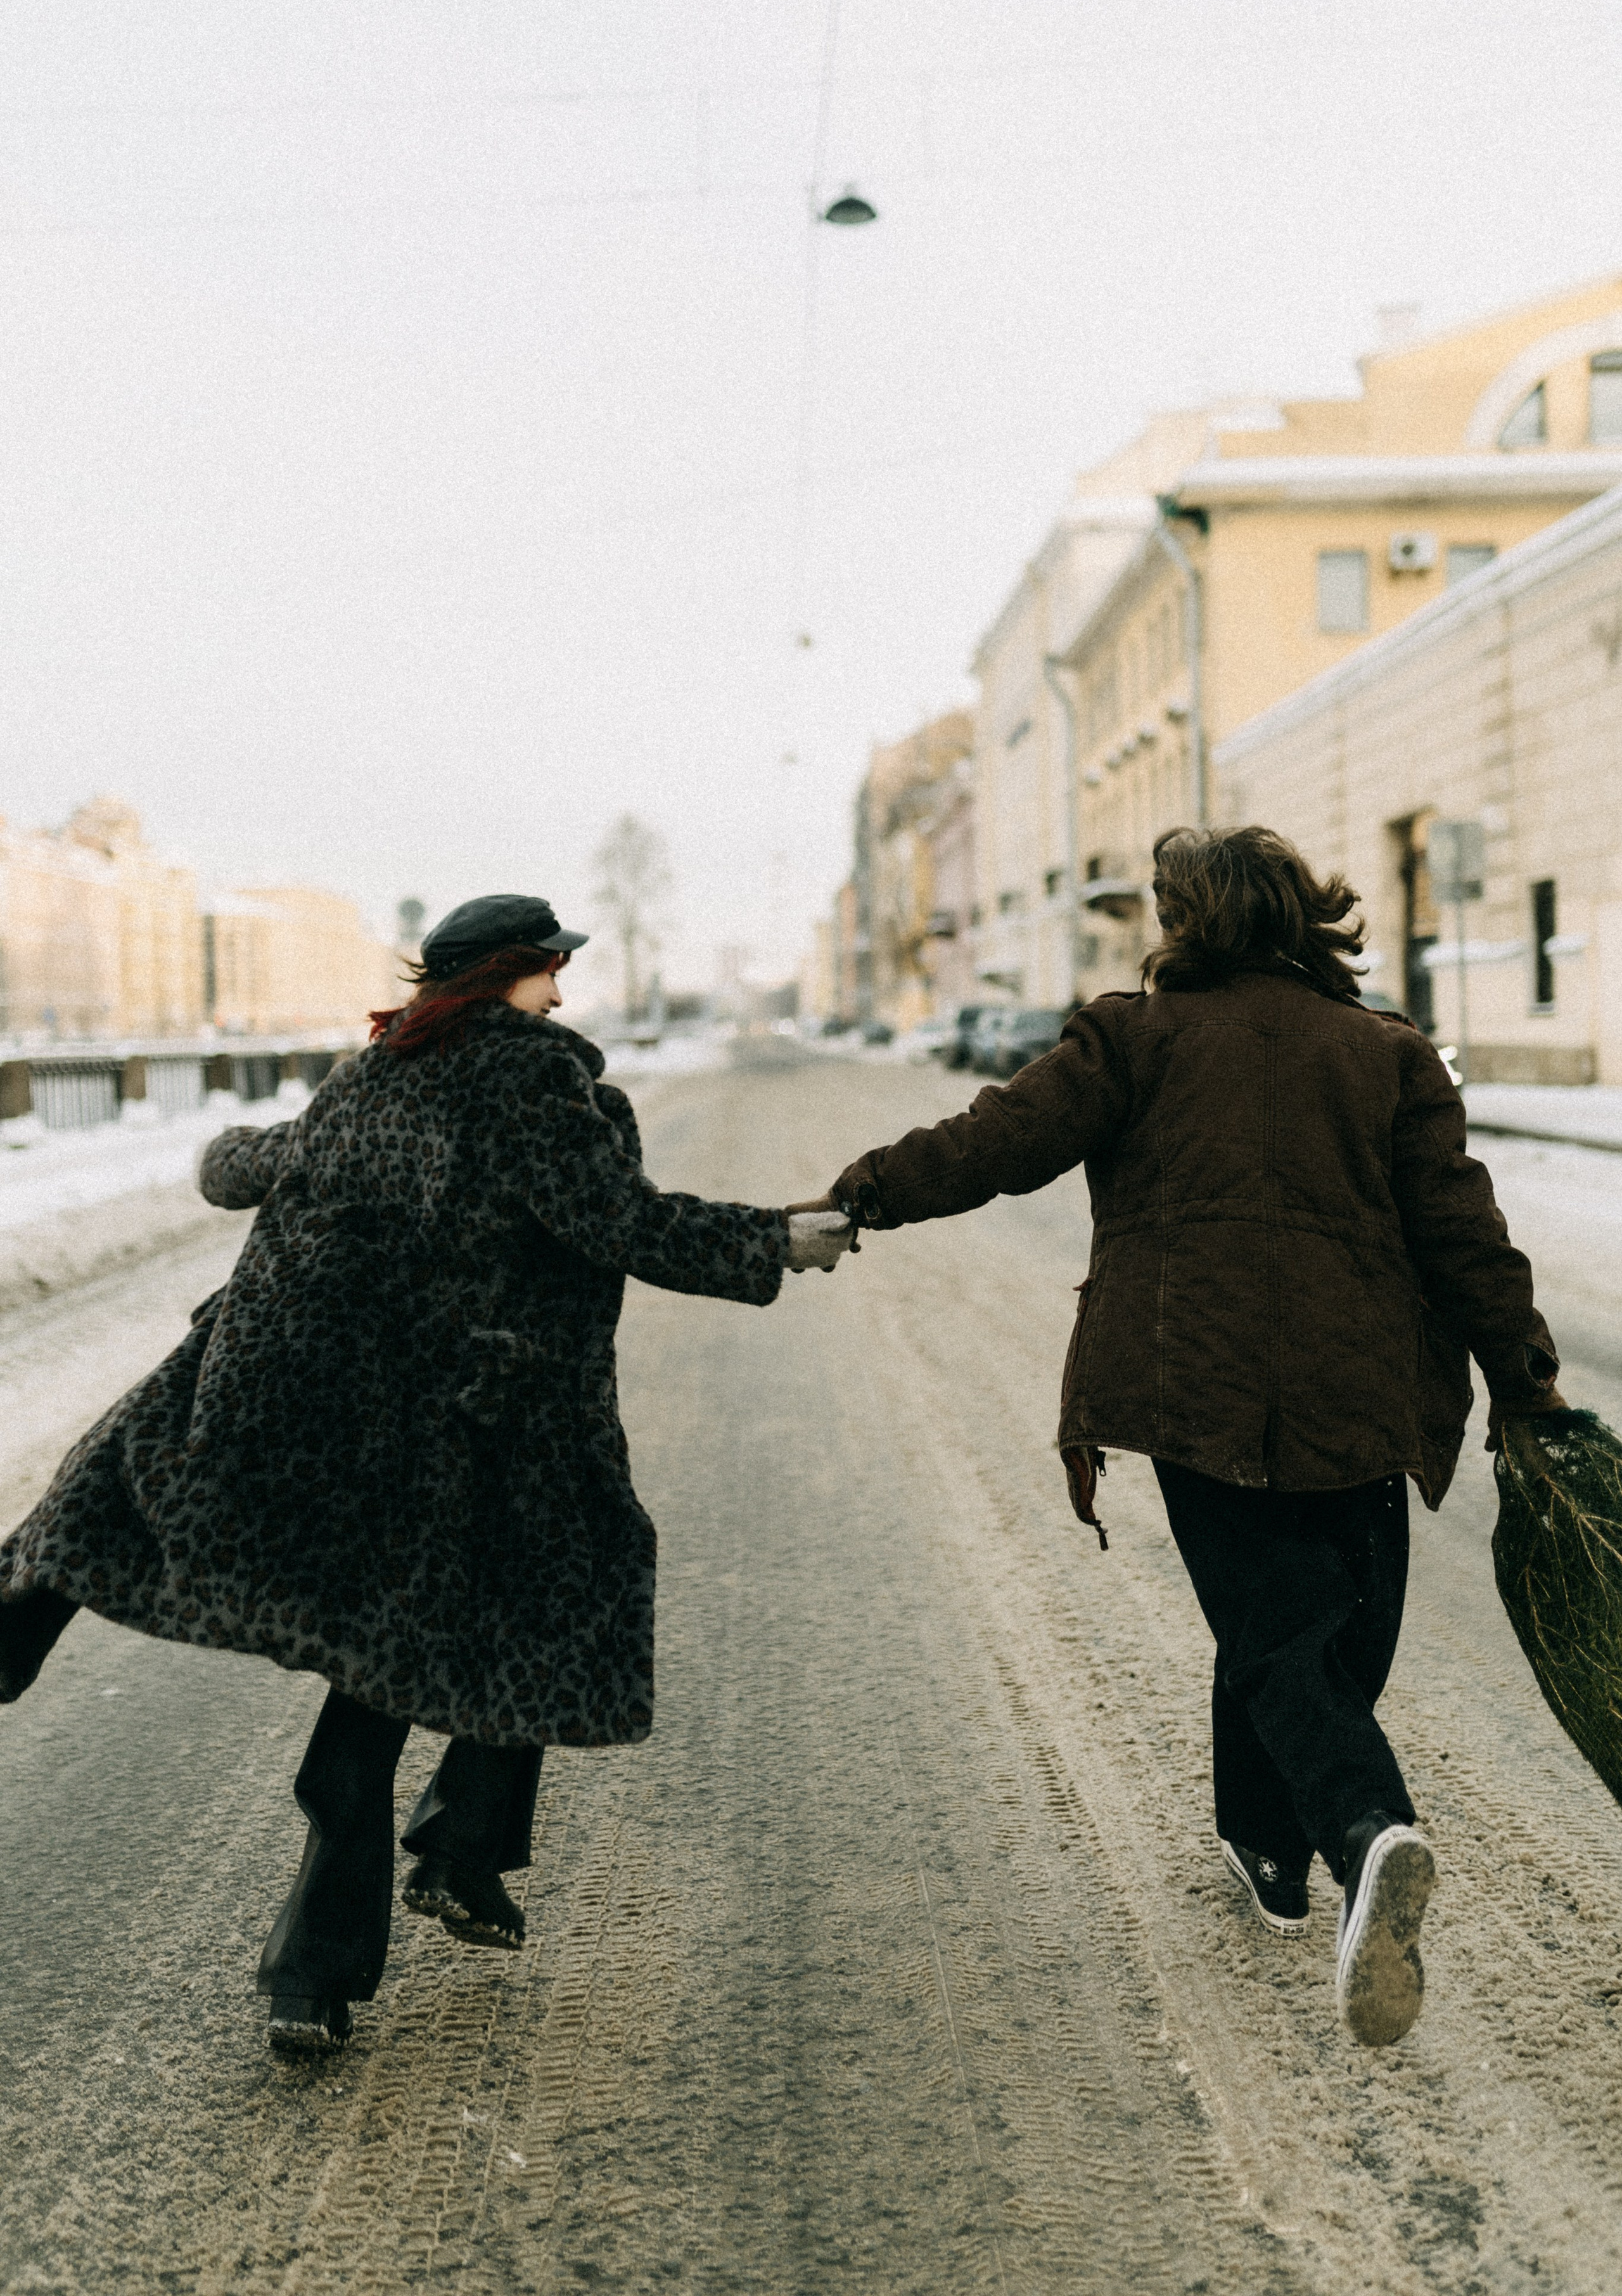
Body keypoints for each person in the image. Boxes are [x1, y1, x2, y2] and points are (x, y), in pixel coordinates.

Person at [0, 892, 851, 2052]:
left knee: (154, 1488)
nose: (564, 991)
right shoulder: (530, 1082)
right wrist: (774, 1240)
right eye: (552, 970)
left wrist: (223, 1155)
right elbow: (622, 1224)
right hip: (464, 1421)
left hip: (328, 1404)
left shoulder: (374, 1071)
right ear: (510, 974)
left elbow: (252, 1164)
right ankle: (408, 1894)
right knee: (502, 1620)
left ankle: (371, 1911)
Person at [798, 826, 1564, 2048]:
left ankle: (1362, 1832)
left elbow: (998, 1142)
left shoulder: (1136, 1035)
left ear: (1192, 921)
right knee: (1322, 1633)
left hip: (1194, 1380)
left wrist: (867, 1192)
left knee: (1276, 1636)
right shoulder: (1390, 1055)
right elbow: (1464, 1231)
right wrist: (1520, 1369)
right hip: (1359, 1385)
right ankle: (1272, 1842)